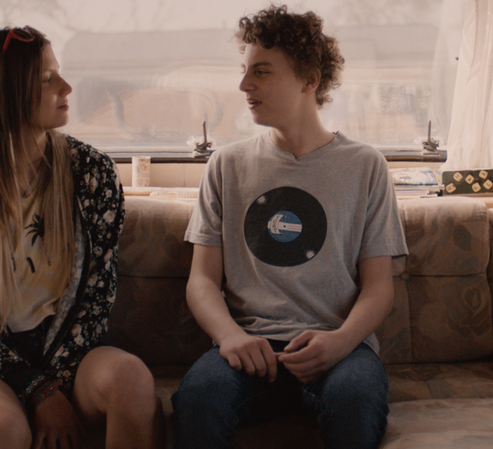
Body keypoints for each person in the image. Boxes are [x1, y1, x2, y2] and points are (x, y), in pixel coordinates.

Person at [171, 6, 408, 449]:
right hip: (250, 347)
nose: (244, 85)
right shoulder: (226, 164)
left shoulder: (365, 166)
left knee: (354, 404)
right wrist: (231, 337)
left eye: (261, 72)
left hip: (339, 348)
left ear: (309, 80)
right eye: (244, 71)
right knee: (199, 401)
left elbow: (379, 288)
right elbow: (201, 281)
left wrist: (341, 342)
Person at [0, 26, 163, 449]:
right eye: (48, 79)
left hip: (77, 354)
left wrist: (55, 385)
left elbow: (96, 298)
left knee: (132, 381)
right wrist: (37, 390)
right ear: (5, 94)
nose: (67, 87)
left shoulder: (93, 174)